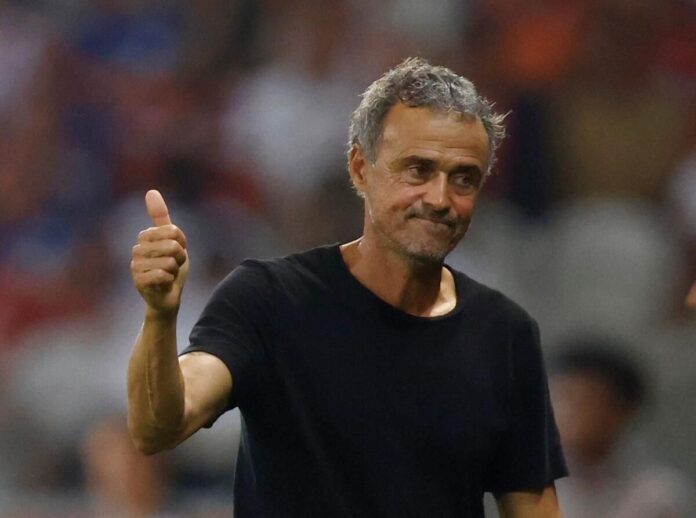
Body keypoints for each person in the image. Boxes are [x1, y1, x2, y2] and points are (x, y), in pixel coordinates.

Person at [127, 57, 567, 517]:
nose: (440, 199)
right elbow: (156, 427)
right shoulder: (269, 298)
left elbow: (534, 508)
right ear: (360, 168)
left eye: (463, 179)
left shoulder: (504, 334)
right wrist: (159, 316)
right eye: (418, 170)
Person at [550, 341, 692, 517]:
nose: (566, 411)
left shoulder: (656, 495)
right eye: (560, 397)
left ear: (623, 410)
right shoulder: (530, 485)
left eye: (581, 399)